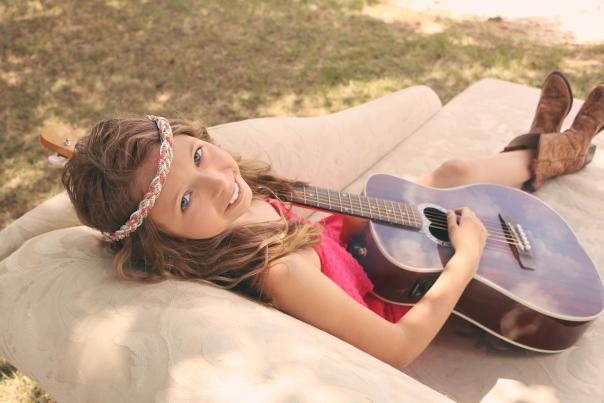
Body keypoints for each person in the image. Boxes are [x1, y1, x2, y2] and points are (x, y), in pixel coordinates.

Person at [61, 71, 603, 370]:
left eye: (199, 156)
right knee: (464, 210)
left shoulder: (240, 195)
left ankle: (553, 149)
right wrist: (464, 255)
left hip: (359, 242)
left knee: (452, 171)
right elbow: (398, 349)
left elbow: (308, 219)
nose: (220, 181)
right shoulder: (282, 273)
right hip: (389, 288)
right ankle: (556, 148)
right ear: (161, 241)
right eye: (184, 201)